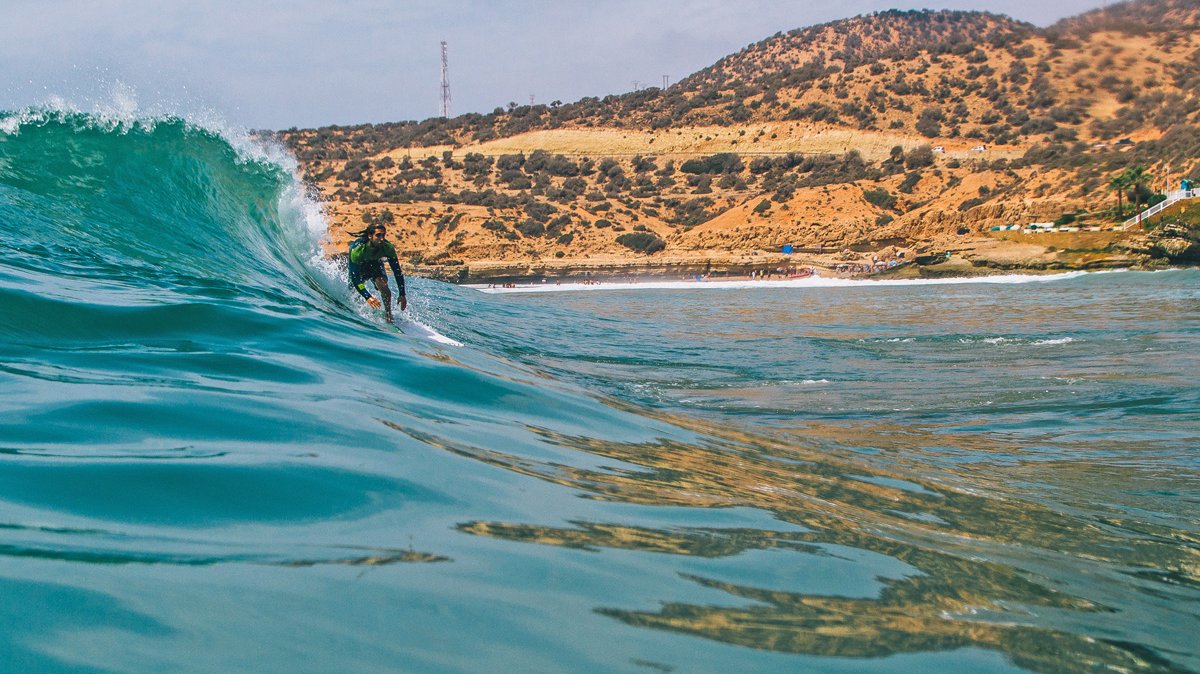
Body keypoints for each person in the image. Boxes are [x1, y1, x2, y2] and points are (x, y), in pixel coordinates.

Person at [347, 224, 407, 322]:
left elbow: (397, 272)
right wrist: (368, 297)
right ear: (370, 236)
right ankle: (354, 306)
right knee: (354, 288)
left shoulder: (388, 248)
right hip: (360, 267)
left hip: (375, 265)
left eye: (384, 235)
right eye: (378, 235)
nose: (382, 238)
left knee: (382, 283)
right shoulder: (357, 250)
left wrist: (402, 294)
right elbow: (355, 278)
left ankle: (388, 316)